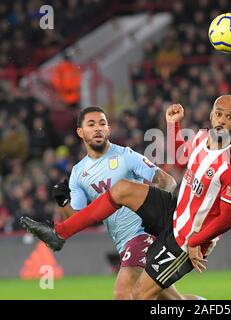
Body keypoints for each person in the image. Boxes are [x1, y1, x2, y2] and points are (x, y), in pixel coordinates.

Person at [21, 95, 231, 300]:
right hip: (176, 211)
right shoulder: (201, 137)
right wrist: (173, 125)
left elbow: (228, 219)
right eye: (219, 114)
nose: (222, 121)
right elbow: (181, 160)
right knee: (122, 189)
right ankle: (59, 234)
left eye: (229, 117)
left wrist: (196, 241)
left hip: (188, 237)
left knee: (138, 295)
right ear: (211, 114)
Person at [35, 106, 199, 300]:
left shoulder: (125, 155)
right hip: (124, 244)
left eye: (102, 124)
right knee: (164, 299)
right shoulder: (78, 173)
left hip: (144, 234)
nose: (98, 128)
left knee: (123, 292)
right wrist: (63, 201)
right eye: (91, 124)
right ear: (80, 132)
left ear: (108, 130)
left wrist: (154, 213)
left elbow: (167, 181)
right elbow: (78, 220)